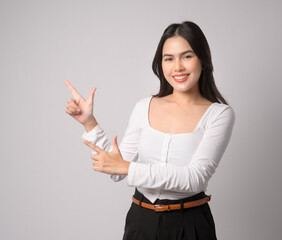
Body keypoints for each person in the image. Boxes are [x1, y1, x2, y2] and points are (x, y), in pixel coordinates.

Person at [64, 21, 235, 240]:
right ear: (160, 64)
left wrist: (128, 168)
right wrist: (89, 122)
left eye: (187, 56)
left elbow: (195, 178)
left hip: (190, 225)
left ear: (203, 59)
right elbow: (118, 166)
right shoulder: (144, 106)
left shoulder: (219, 114)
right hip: (140, 222)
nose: (178, 67)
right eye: (169, 58)